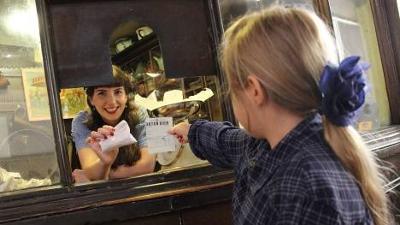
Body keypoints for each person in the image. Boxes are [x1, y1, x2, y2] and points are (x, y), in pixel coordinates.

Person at [169, 5, 390, 225]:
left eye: (232, 90)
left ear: (254, 91)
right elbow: (227, 142)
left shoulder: (308, 188)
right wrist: (191, 131)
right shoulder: (268, 143)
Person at [71, 65, 156, 183]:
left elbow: (147, 165)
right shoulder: (82, 121)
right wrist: (104, 164)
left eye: (118, 92)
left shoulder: (139, 113)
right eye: (102, 93)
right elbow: (92, 172)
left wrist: (103, 174)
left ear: (126, 96)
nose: (111, 102)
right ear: (91, 99)